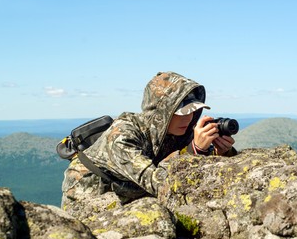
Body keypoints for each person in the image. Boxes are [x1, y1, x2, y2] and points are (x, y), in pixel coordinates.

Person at [61, 71, 237, 208]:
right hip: (90, 195)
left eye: (193, 112)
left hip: (130, 192)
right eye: (182, 113)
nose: (189, 119)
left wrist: (220, 152)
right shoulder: (122, 136)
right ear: (162, 113)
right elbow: (159, 183)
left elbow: (186, 161)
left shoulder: (176, 132)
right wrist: (196, 150)